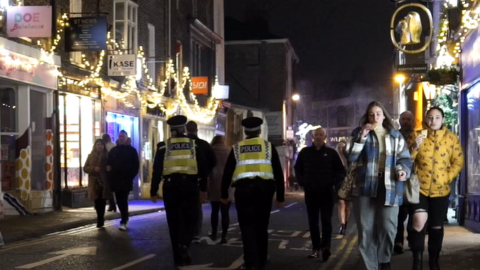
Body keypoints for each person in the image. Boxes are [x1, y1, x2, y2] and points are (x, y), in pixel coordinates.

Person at [348, 101, 412, 270]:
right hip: (364, 186)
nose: (375, 117)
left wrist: (402, 170)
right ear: (367, 117)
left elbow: (405, 159)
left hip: (390, 185)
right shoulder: (359, 133)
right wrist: (361, 137)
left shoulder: (395, 135)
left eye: (378, 113)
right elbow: (351, 158)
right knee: (366, 230)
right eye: (371, 114)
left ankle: (384, 260)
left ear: (384, 115)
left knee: (388, 227)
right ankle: (371, 267)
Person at [221, 117, 285, 270]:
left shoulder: (237, 148)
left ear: (245, 131)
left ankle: (250, 262)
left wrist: (224, 194)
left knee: (247, 227)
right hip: (264, 191)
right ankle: (262, 260)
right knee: (262, 226)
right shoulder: (268, 147)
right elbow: (278, 172)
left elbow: (227, 172)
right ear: (260, 130)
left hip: (243, 192)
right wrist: (280, 197)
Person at [408, 107, 464, 270]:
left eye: (437, 117)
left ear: (443, 120)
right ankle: (417, 261)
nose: (433, 121)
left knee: (436, 226)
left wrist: (446, 177)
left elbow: (458, 162)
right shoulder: (416, 136)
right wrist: (415, 148)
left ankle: (434, 261)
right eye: (430, 117)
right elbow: (406, 160)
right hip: (420, 188)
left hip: (441, 190)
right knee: (418, 222)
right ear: (426, 119)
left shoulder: (452, 139)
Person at [150, 115, 208, 267]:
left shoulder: (164, 146)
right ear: (183, 128)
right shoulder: (193, 145)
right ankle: (185, 244)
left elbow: (156, 169)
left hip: (170, 187)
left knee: (174, 221)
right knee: (190, 218)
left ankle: (178, 255)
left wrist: (153, 190)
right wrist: (203, 189)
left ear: (171, 129)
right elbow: (203, 169)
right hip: (190, 186)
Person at [294, 128, 346, 261]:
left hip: (327, 192)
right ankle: (315, 248)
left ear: (325, 137)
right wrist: (302, 181)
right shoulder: (305, 152)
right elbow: (297, 168)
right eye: (316, 135)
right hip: (311, 192)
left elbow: (340, 171)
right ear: (312, 137)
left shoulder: (331, 153)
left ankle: (326, 247)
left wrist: (334, 183)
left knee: (326, 221)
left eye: (321, 135)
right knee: (313, 222)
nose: (318, 137)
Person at [186, 121, 217, 243]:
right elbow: (213, 161)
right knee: (197, 207)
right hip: (199, 180)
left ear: (186, 129)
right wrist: (206, 174)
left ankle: (185, 232)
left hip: (183, 180)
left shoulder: (184, 144)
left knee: (184, 207)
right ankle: (195, 233)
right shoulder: (203, 144)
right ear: (196, 129)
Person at [107, 130, 139, 231]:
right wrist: (110, 176)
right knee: (119, 200)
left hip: (126, 180)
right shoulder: (114, 150)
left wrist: (130, 177)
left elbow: (136, 166)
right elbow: (109, 164)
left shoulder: (132, 151)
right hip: (116, 180)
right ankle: (124, 217)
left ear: (126, 137)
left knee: (123, 199)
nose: (121, 138)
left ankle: (124, 220)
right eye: (120, 136)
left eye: (123, 136)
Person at [394, 111, 415, 254]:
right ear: (399, 120)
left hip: (414, 179)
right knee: (399, 213)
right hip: (399, 179)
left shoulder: (418, 137)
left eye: (408, 119)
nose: (406, 121)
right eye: (404, 119)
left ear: (412, 121)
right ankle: (398, 241)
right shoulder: (394, 136)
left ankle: (412, 240)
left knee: (413, 211)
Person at [207, 135, 232, 244]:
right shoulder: (229, 151)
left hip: (214, 182)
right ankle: (224, 236)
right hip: (227, 184)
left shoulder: (210, 151)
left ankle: (214, 233)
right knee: (225, 212)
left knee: (215, 210)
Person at [84, 139, 112, 228]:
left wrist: (109, 168)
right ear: (95, 146)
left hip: (104, 182)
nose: (100, 146)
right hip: (94, 181)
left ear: (104, 146)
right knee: (96, 201)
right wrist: (93, 169)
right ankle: (99, 217)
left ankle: (100, 219)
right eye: (98, 145)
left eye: (101, 145)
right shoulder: (90, 156)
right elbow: (85, 168)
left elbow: (112, 167)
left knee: (102, 201)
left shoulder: (108, 156)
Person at [336, 139, 350, 236]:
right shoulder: (335, 159)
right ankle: (342, 225)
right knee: (341, 204)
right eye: (339, 147)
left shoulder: (349, 159)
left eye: (343, 148)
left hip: (349, 184)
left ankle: (346, 223)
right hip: (339, 184)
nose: (341, 149)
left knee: (347, 206)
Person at [102, 133, 117, 212]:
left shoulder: (105, 147)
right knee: (111, 188)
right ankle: (112, 204)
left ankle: (112, 204)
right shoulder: (114, 145)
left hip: (107, 169)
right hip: (114, 170)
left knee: (108, 188)